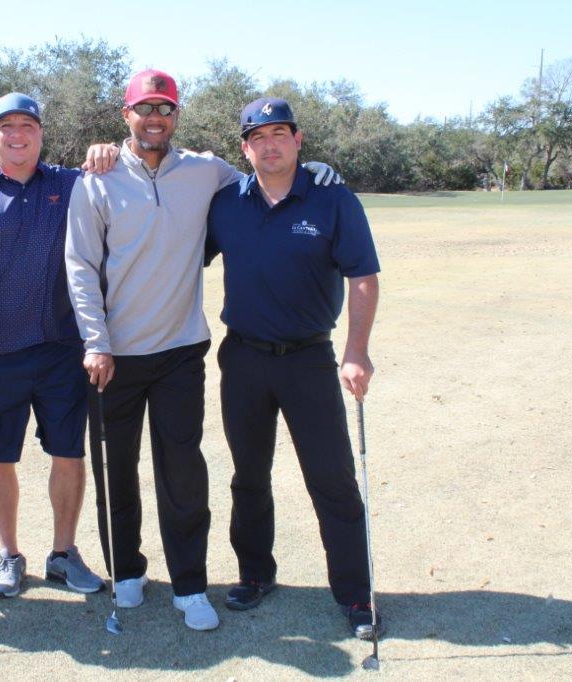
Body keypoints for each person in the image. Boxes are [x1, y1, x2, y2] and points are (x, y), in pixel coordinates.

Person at [65, 70, 341, 632]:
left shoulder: (206, 170)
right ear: (126, 116)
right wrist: (95, 341)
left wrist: (311, 168)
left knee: (184, 475)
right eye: (145, 108)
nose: (155, 118)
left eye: (165, 108)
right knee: (116, 471)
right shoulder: (96, 178)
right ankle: (126, 571)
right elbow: (81, 265)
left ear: (176, 116)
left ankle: (190, 585)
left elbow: (266, 176)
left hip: (180, 352)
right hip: (113, 356)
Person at [205, 97, 383, 639]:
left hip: (308, 359)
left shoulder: (332, 198)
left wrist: (356, 351)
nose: (270, 145)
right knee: (249, 476)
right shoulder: (226, 203)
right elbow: (177, 252)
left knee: (332, 478)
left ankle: (355, 594)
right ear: (245, 148)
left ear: (298, 140)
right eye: (258, 137)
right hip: (243, 358)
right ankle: (255, 573)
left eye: (279, 134)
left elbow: (363, 277)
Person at [0, 93, 118, 598]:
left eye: (28, 126)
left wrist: (110, 151)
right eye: (7, 126)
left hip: (63, 348)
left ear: (40, 134)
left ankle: (62, 554)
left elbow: (127, 177)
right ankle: (9, 554)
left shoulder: (69, 183)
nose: (18, 135)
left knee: (69, 453)